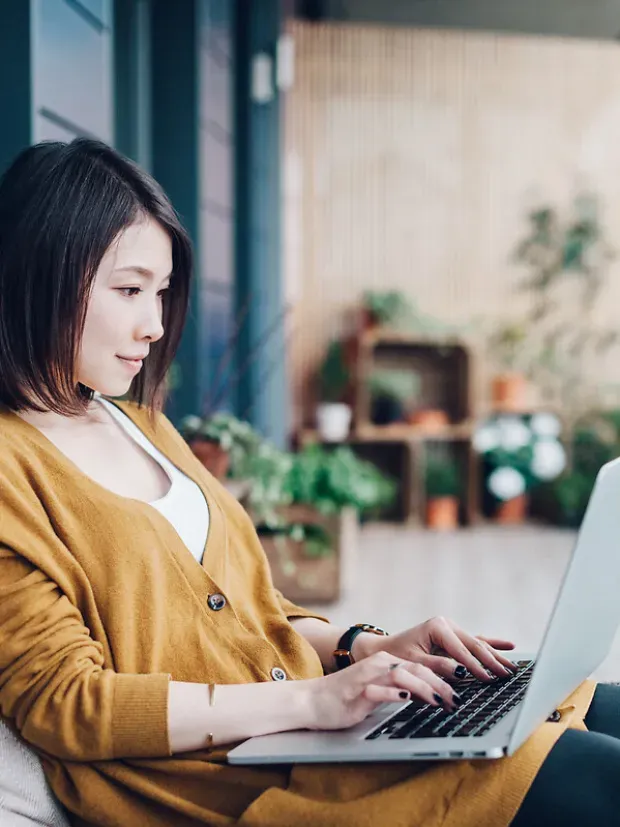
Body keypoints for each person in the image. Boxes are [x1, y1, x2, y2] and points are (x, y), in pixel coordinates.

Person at [0, 138, 617, 827]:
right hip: (241, 782)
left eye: (163, 292)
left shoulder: (138, 424)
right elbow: (67, 704)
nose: (154, 324)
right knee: (598, 777)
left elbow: (254, 611)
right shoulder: (10, 469)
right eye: (129, 289)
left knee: (602, 704)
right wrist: (315, 702)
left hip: (317, 730)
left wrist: (367, 647)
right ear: (41, 276)